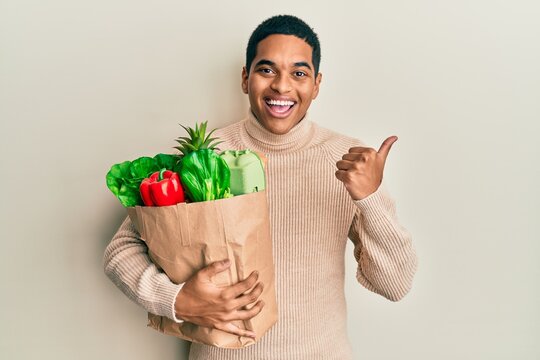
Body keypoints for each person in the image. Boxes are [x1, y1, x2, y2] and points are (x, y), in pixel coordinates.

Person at [104, 14, 418, 360]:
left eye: (299, 73)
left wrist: (370, 198)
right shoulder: (205, 157)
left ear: (316, 84)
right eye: (266, 70)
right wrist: (176, 300)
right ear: (245, 78)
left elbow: (396, 284)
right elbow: (120, 251)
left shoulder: (350, 163)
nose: (282, 87)